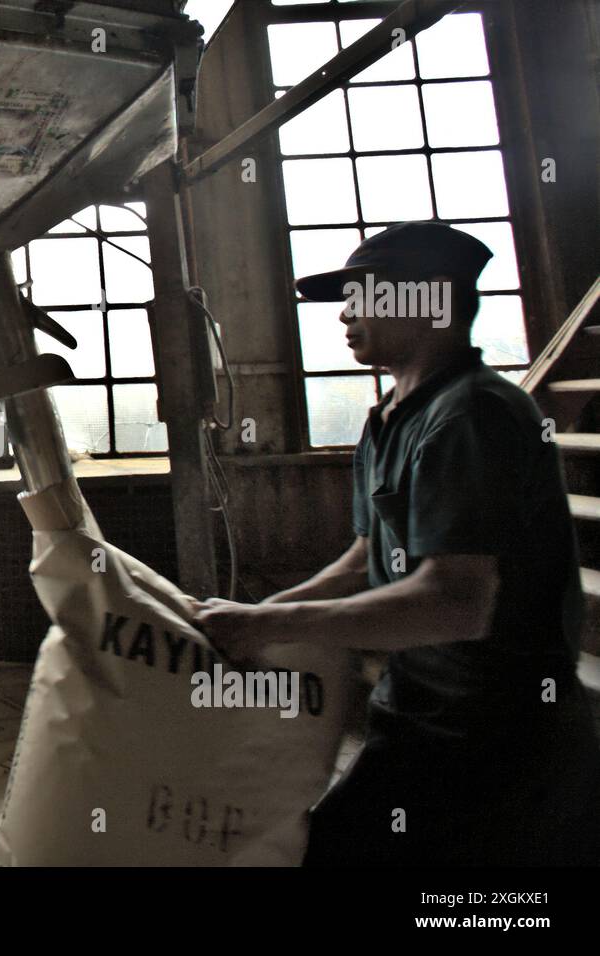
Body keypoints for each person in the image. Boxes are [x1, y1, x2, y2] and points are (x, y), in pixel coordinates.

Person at [194, 222, 600, 865]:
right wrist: (251, 622)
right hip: (415, 712)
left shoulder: (473, 415)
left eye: (363, 296)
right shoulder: (389, 416)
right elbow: (363, 562)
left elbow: (454, 601)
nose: (346, 314)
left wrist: (268, 622)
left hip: (495, 734)